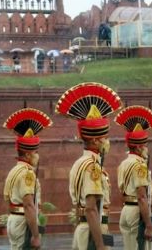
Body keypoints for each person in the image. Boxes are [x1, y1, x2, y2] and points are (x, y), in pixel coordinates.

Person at [56, 82, 123, 250]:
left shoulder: (80, 163)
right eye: (104, 138)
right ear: (94, 140)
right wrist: (100, 245)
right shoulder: (91, 166)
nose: (107, 142)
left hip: (85, 229)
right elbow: (91, 209)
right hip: (93, 232)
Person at [2, 109, 52, 250]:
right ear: (28, 154)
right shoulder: (27, 173)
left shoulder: (14, 170)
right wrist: (36, 235)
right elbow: (29, 205)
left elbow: (7, 200)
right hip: (23, 222)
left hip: (13, 219)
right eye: (35, 152)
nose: (37, 155)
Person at [115, 106, 152, 250]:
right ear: (139, 147)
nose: (147, 148)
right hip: (138, 213)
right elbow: (141, 197)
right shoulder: (140, 165)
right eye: (145, 145)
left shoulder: (124, 163)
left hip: (126, 211)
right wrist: (148, 225)